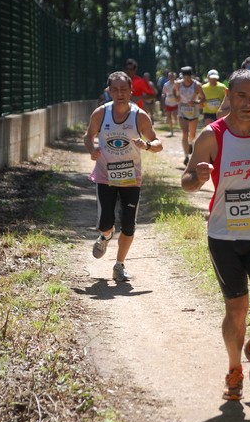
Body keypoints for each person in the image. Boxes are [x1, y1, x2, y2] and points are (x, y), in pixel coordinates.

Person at [181, 69, 250, 401]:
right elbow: (186, 181)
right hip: (224, 237)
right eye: (241, 96)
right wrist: (197, 179)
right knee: (237, 309)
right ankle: (234, 369)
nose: (248, 103)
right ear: (228, 96)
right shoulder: (211, 136)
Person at [84, 71, 163, 283]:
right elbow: (88, 136)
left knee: (129, 225)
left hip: (131, 178)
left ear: (131, 91)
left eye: (124, 89)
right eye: (115, 89)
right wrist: (92, 149)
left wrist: (146, 145)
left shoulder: (139, 116)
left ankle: (119, 265)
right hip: (105, 176)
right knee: (106, 223)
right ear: (109, 91)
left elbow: (158, 143)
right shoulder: (101, 114)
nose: (120, 93)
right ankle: (105, 236)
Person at [174, 66, 205, 165]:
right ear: (182, 76)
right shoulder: (178, 84)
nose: (186, 79)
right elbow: (174, 92)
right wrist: (177, 97)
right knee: (184, 133)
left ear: (191, 76)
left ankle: (190, 144)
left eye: (188, 76)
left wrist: (195, 103)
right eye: (184, 76)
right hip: (182, 110)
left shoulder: (197, 85)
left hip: (193, 112)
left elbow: (203, 98)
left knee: (192, 134)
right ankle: (186, 156)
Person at [162, 71, 178, 136]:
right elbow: (163, 92)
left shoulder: (177, 84)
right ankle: (171, 131)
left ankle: (175, 120)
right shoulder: (166, 84)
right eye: (169, 76)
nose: (171, 78)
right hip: (168, 101)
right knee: (169, 117)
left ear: (174, 77)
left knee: (175, 115)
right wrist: (163, 95)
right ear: (168, 77)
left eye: (172, 76)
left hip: (175, 101)